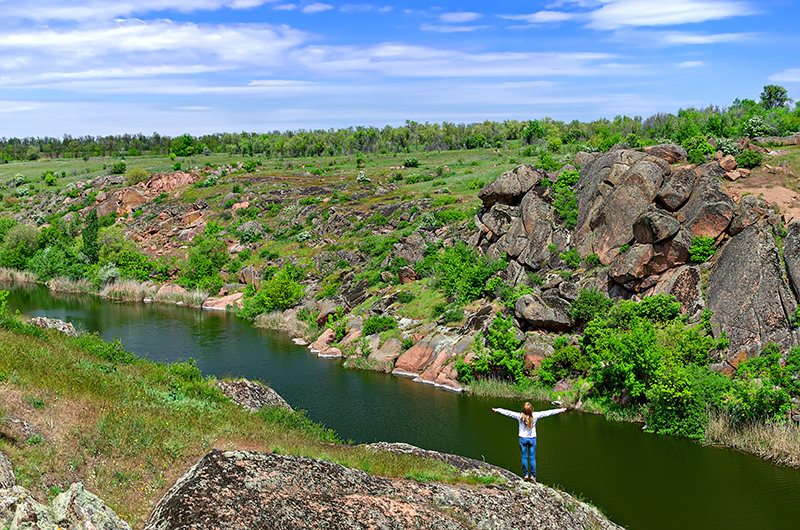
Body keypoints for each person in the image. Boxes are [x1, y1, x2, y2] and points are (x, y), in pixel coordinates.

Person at [492, 402, 566, 482]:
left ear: (523, 410)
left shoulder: (519, 416)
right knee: (532, 458)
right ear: (531, 410)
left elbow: (508, 413)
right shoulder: (535, 415)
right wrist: (560, 410)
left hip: (523, 439)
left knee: (524, 457)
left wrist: (498, 410)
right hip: (532, 439)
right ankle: (533, 476)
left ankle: (526, 475)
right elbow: (547, 413)